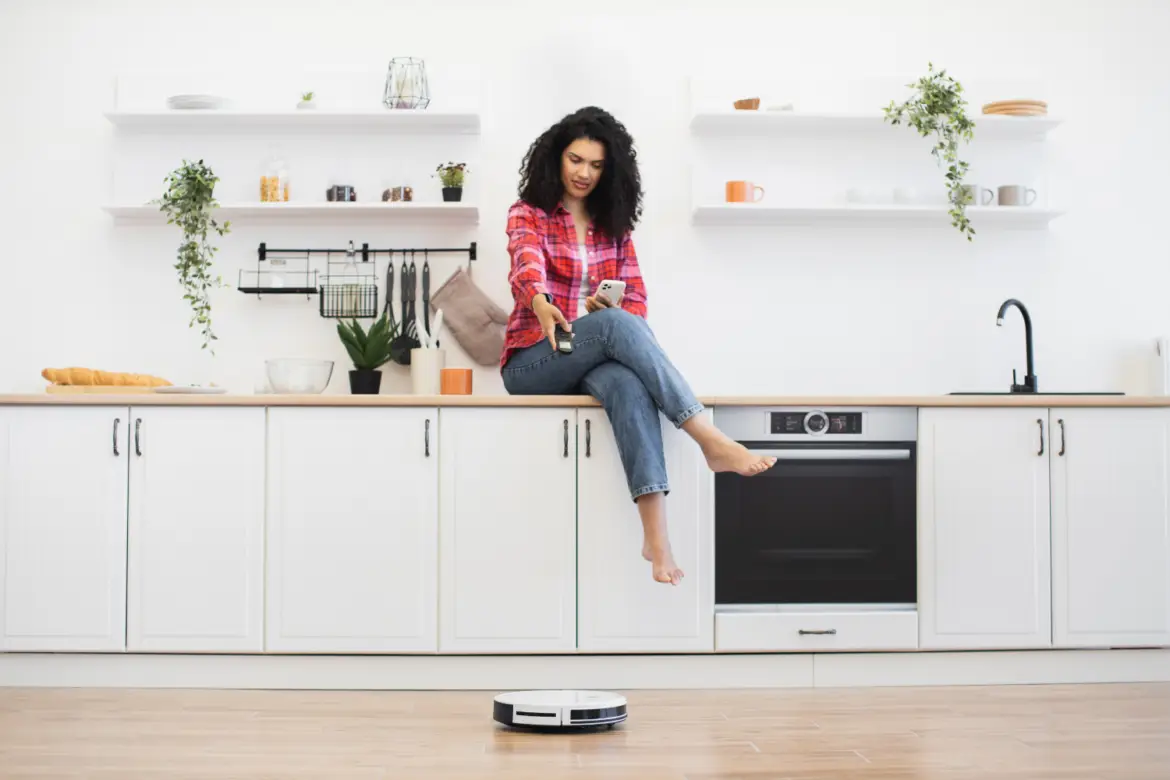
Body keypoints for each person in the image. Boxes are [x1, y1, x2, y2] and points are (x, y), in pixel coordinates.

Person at [500, 106, 776, 586]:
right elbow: (526, 265)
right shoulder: (530, 214)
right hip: (534, 360)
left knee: (626, 378)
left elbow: (638, 301)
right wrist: (543, 305)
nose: (584, 173)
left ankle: (656, 540)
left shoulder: (615, 228)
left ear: (611, 170)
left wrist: (606, 318)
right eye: (575, 160)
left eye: (597, 165)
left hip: (586, 357)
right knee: (613, 327)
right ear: (555, 159)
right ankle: (709, 438)